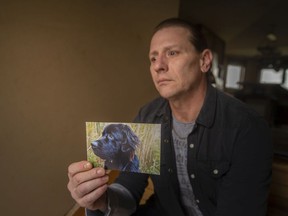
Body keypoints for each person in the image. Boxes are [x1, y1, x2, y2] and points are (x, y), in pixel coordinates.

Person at [67, 18, 273, 216]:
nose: (158, 66)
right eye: (153, 58)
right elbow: (130, 188)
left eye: (172, 53)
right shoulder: (147, 116)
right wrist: (101, 200)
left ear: (204, 60)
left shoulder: (246, 126)